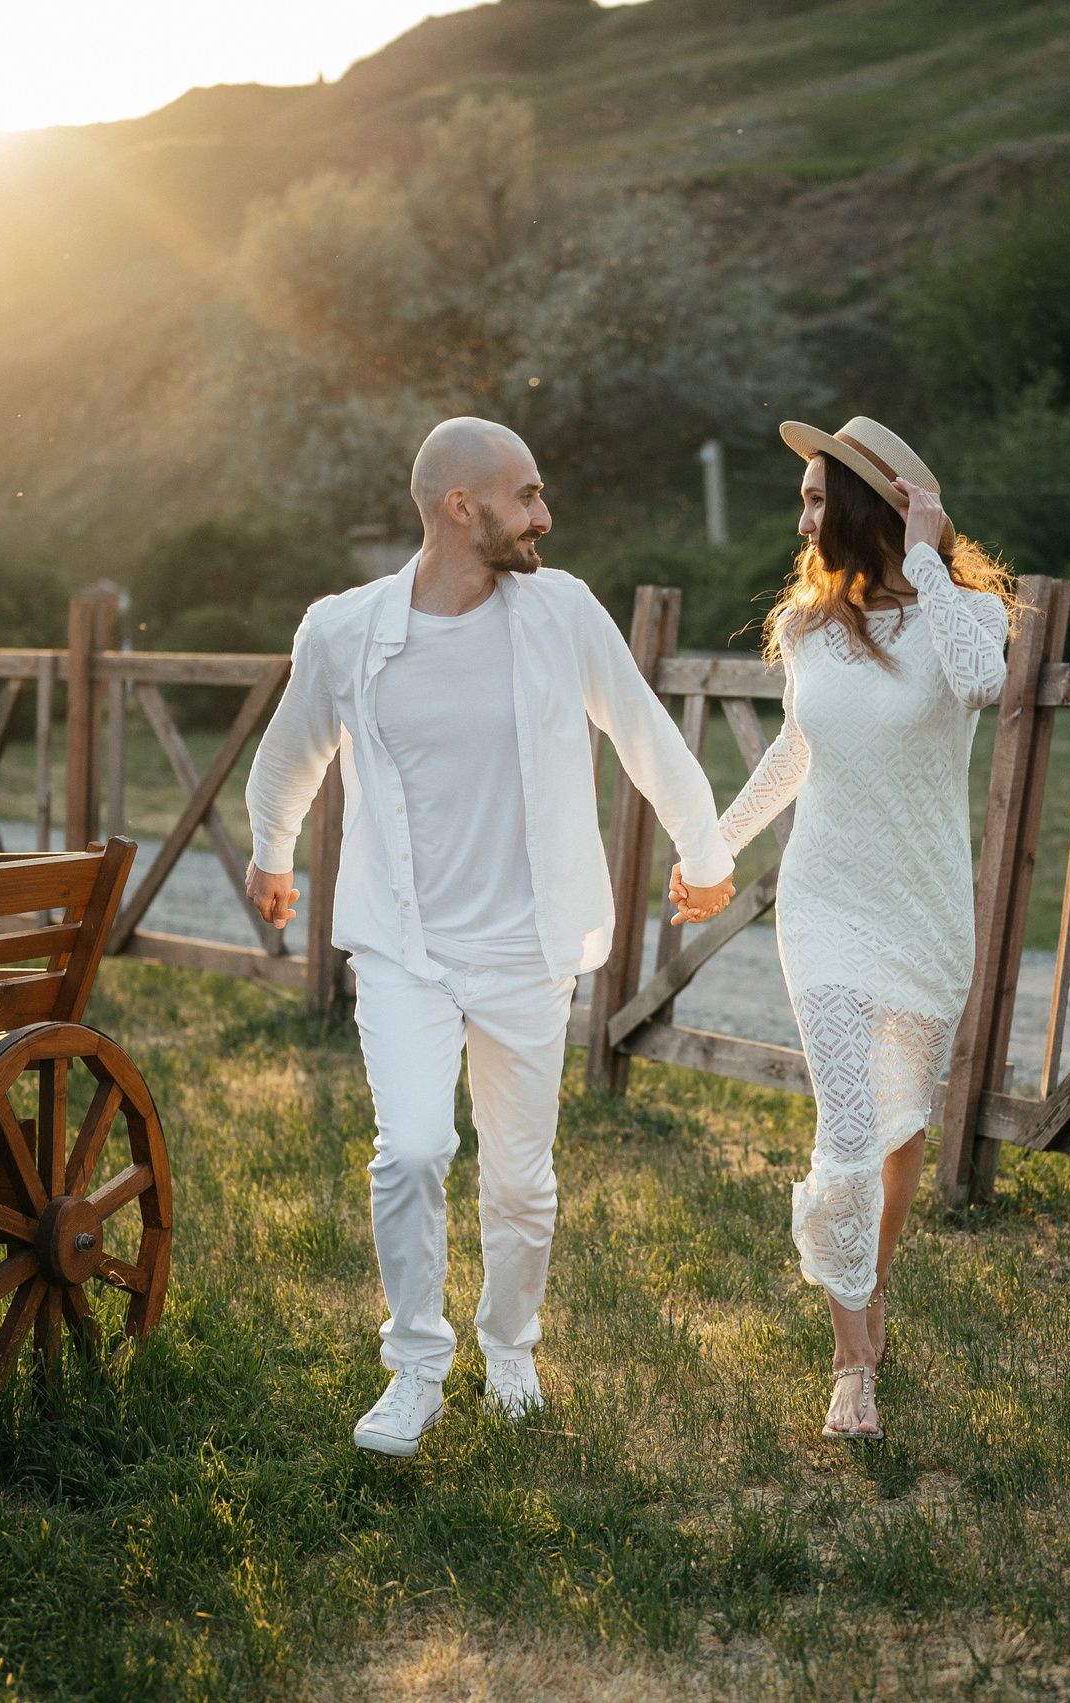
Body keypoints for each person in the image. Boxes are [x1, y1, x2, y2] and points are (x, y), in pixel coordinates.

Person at [244, 417, 736, 1458]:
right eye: (525, 495)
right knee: (414, 1148)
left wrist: (703, 850)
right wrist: (270, 850)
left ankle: (509, 1348)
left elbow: (642, 727)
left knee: (520, 1179)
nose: (543, 515)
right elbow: (291, 751)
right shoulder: (344, 630)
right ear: (459, 507)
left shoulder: (560, 611)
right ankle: (414, 1368)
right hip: (404, 947)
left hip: (526, 946)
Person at [673, 415, 1012, 1440]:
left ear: (874, 504)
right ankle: (851, 1363)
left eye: (821, 496)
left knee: (900, 1128)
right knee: (851, 1131)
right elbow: (794, 751)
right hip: (824, 902)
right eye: (804, 496)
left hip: (923, 911)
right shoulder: (810, 626)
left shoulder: (970, 616)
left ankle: (865, 1289)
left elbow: (983, 683)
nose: (804, 515)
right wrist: (716, 849)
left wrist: (927, 554)